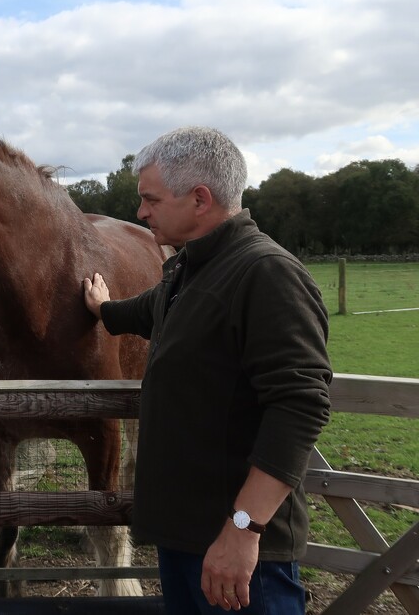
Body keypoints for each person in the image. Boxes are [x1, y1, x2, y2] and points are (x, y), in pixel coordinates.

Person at [81, 126, 331, 614]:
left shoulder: (265, 273)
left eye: (150, 199)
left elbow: (299, 406)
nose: (140, 212)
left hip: (236, 551)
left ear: (199, 198)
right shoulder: (187, 270)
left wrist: (244, 530)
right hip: (187, 539)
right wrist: (102, 308)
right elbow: (145, 312)